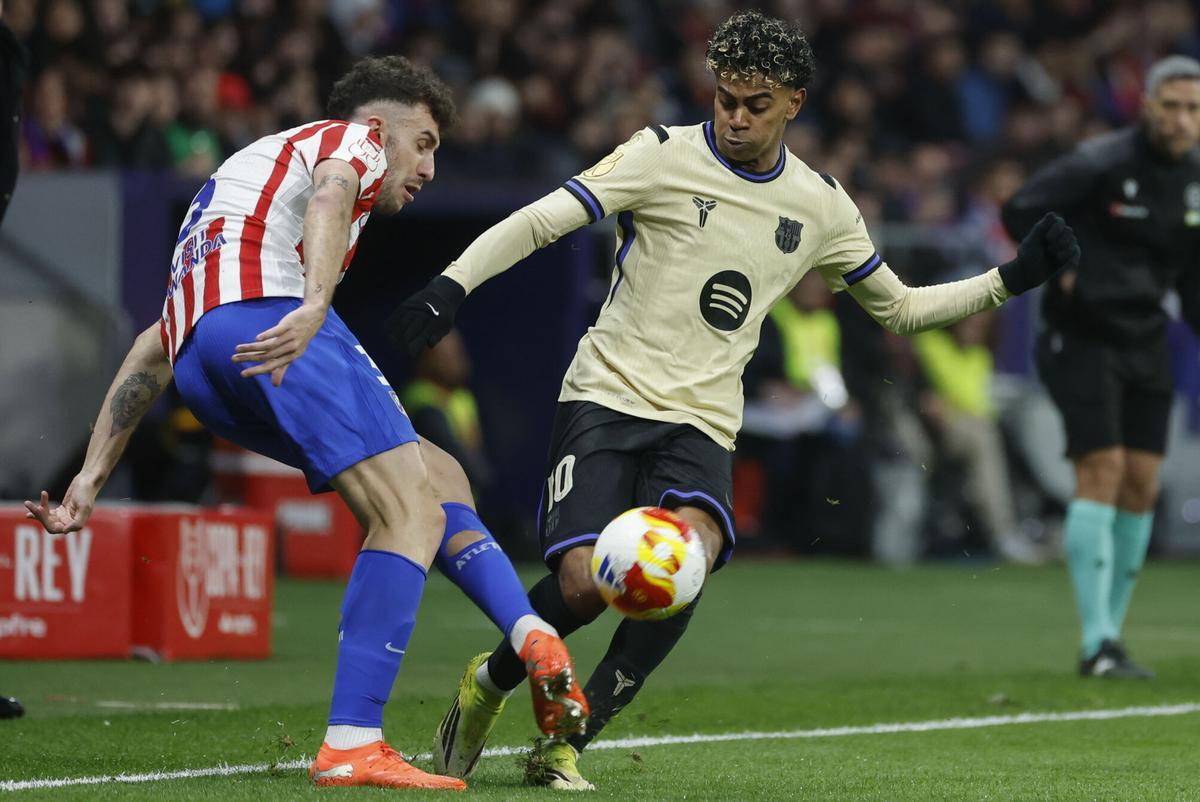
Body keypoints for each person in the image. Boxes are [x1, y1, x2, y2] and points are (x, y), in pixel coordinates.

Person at [393, 11, 1078, 790]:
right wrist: (451, 285)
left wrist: (1010, 279)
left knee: (683, 567)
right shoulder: (660, 154)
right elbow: (545, 219)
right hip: (608, 395)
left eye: (756, 103)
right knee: (584, 588)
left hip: (704, 420)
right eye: (724, 99)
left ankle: (565, 744)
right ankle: (491, 683)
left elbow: (901, 308)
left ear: (793, 102)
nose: (736, 116)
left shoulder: (820, 204)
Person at [23, 55, 587, 790]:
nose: (429, 167)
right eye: (424, 143)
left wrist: (86, 483)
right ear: (381, 127)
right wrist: (316, 303)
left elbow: (152, 348)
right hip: (275, 323)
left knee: (434, 472)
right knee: (407, 513)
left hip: (206, 364)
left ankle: (534, 638)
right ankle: (353, 739)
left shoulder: (231, 191)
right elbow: (332, 193)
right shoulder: (347, 142)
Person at [1002, 55, 1200, 679]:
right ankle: (1097, 643)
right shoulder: (1102, 162)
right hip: (1081, 337)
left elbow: (1191, 278)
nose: (1181, 118)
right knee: (1105, 469)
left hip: (1147, 340)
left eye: (1193, 108)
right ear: (1146, 105)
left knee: (1143, 481)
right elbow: (1020, 207)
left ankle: (1111, 636)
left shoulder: (1195, 181)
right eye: (1170, 104)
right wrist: (1058, 269)